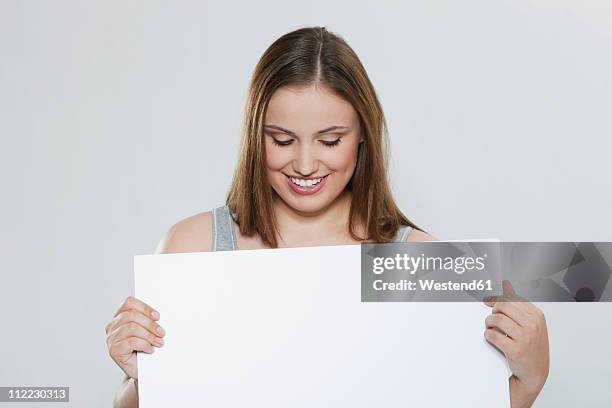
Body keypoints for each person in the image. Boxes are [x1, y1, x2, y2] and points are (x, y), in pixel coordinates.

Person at [104, 26, 549, 408]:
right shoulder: (192, 246)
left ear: (362, 139)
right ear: (253, 136)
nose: (304, 164)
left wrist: (528, 382)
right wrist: (138, 377)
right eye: (281, 140)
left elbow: (455, 397)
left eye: (330, 140)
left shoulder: (420, 260)